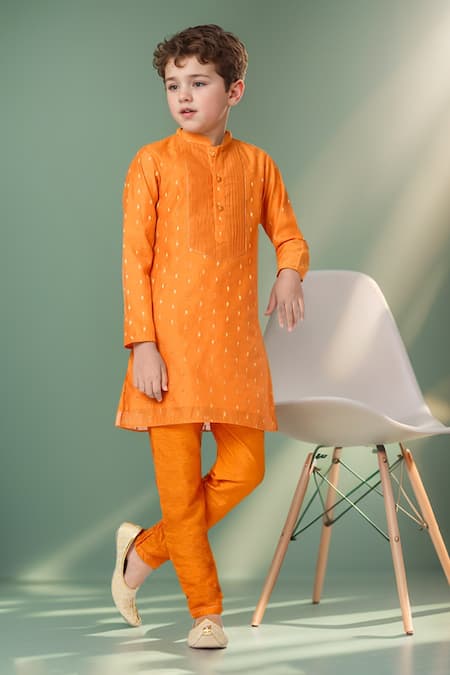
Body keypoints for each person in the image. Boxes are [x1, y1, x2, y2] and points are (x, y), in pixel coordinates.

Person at [111, 24, 309, 649]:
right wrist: (143, 345)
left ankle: (143, 551)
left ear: (234, 91)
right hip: (167, 354)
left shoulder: (258, 165)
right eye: (174, 85)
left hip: (235, 353)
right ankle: (207, 613)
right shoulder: (151, 162)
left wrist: (289, 272)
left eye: (199, 83)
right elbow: (134, 261)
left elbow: (289, 235)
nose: (184, 96)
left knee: (245, 471)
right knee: (178, 492)